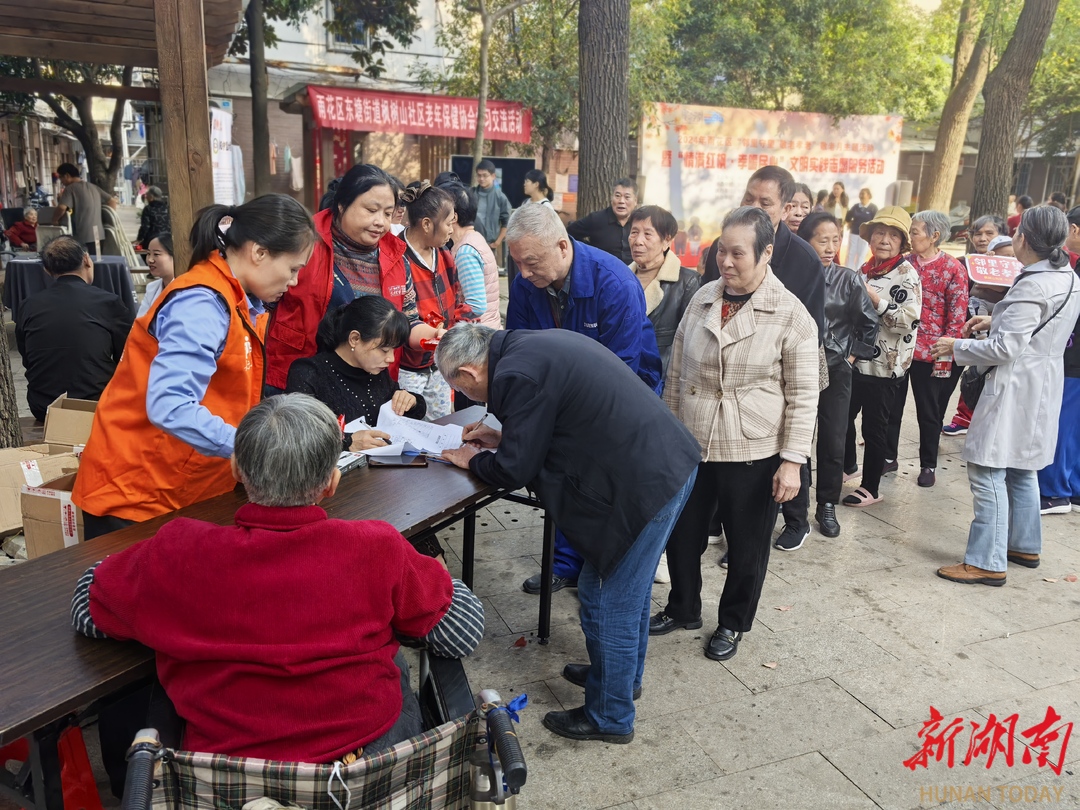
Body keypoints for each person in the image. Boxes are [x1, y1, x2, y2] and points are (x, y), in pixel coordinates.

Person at [71, 393, 484, 762]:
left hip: (227, 781)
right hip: (367, 770)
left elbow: (87, 607)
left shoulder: (177, 551)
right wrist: (440, 582)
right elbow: (463, 633)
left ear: (235, 469)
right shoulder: (378, 547)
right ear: (332, 483)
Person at [436, 325, 700, 744]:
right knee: (620, 593)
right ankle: (619, 680)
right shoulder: (527, 347)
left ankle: (610, 716)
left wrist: (472, 460)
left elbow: (512, 470)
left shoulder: (515, 374)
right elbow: (553, 423)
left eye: (462, 390)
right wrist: (504, 438)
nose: (470, 400)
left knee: (607, 598)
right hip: (662, 465)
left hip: (648, 481)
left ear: (468, 374)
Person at [72, 194, 315, 539]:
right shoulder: (202, 302)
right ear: (259, 252)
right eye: (293, 269)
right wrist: (252, 450)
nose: (293, 282)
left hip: (184, 486)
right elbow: (170, 404)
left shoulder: (241, 302)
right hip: (139, 494)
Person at [651, 206, 818, 661]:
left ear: (766, 253)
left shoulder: (791, 315)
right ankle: (682, 606)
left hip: (753, 445)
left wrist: (792, 461)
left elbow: (805, 396)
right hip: (693, 438)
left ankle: (732, 623)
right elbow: (677, 371)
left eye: (737, 253)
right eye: (721, 251)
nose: (726, 262)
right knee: (683, 532)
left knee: (746, 544)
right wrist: (670, 434)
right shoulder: (704, 296)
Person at [505, 203, 663, 594]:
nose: (524, 274)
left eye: (532, 263)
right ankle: (564, 563)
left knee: (596, 480)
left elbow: (621, 372)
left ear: (562, 246)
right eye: (518, 264)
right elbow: (519, 348)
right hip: (561, 392)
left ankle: (599, 563)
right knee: (560, 474)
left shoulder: (614, 283)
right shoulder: (527, 282)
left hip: (621, 396)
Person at [932, 205, 1080, 585]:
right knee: (1022, 464)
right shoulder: (1065, 275)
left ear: (1023, 239)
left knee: (987, 468)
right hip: (1045, 379)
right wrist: (997, 315)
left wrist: (956, 345)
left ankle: (986, 560)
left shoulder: (1032, 283)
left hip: (1017, 383)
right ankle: (1024, 544)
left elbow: (1005, 349)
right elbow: (1033, 323)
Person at [266, 164, 433, 393]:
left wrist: (433, 336)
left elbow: (409, 319)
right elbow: (262, 307)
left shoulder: (397, 258)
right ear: (342, 206)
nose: (381, 222)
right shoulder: (303, 243)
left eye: (387, 213)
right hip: (295, 378)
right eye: (371, 210)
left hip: (366, 385)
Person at [779, 213, 877, 543]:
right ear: (805, 242)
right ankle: (795, 510)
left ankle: (826, 505)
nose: (831, 247)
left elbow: (869, 324)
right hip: (796, 369)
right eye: (823, 240)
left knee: (834, 440)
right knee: (796, 440)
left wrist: (849, 357)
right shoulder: (791, 278)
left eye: (836, 240)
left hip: (836, 371)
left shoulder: (849, 280)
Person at [841, 206, 922, 508]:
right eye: (879, 233)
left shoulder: (908, 275)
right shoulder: (865, 269)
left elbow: (908, 321)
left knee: (874, 428)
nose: (884, 240)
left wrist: (875, 299)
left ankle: (871, 487)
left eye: (892, 235)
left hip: (885, 367)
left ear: (902, 242)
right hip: (856, 361)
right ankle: (848, 468)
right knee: (843, 417)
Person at [882, 211, 968, 488]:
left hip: (931, 354)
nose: (910, 236)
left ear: (935, 236)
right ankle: (888, 456)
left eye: (915, 231)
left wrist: (944, 356)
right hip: (900, 348)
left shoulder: (953, 269)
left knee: (929, 412)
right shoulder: (905, 264)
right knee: (891, 408)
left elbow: (956, 318)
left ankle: (928, 463)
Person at [15, 236, 133, 422]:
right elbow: (127, 358)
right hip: (95, 403)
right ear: (86, 259)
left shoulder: (28, 305)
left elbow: (28, 358)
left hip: (44, 406)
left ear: (47, 270)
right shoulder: (108, 302)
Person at [285, 296, 426, 450]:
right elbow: (298, 436)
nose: (391, 358)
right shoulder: (308, 373)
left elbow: (409, 412)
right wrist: (347, 442)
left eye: (394, 350)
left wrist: (411, 401)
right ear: (354, 339)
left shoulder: (375, 371)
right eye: (384, 350)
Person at [397, 182, 475, 420]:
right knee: (407, 427)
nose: (453, 229)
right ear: (427, 224)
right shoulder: (399, 258)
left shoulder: (444, 255)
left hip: (439, 362)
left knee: (440, 424)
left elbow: (457, 298)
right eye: (449, 222)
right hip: (407, 367)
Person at [942, 214, 1009, 436]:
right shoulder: (963, 262)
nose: (982, 238)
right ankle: (950, 420)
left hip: (993, 332)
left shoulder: (1011, 264)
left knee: (981, 374)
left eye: (989, 233)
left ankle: (972, 419)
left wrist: (994, 264)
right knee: (954, 376)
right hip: (964, 328)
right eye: (977, 233)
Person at [1038, 205, 1080, 514]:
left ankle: (1054, 492)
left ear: (1075, 230)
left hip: (1074, 361)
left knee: (1062, 425)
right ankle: (1074, 488)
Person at [627, 205, 701, 377]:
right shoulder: (620, 279)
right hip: (623, 374)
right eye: (634, 232)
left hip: (663, 379)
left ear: (667, 241)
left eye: (647, 234)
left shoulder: (687, 282)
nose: (638, 241)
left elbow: (692, 343)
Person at [442, 182, 502, 329]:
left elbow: (476, 306)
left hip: (479, 337)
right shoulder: (475, 239)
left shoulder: (465, 252)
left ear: (453, 217)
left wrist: (447, 318)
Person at [567, 178, 638, 265]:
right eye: (617, 196)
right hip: (602, 275)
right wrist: (589, 249)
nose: (621, 201)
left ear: (635, 201)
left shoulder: (638, 222)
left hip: (632, 275)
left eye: (627, 197)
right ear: (611, 198)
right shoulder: (596, 219)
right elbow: (569, 232)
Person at [53, 163, 117, 253]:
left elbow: (62, 208)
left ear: (67, 175)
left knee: (84, 263)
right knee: (97, 261)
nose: (61, 181)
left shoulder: (70, 189)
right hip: (98, 234)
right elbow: (112, 201)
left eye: (61, 178)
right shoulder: (93, 187)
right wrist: (107, 219)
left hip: (82, 235)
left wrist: (55, 220)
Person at [473, 159, 512, 259]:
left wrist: (497, 242)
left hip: (490, 245)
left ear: (493, 176)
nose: (481, 179)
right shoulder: (471, 194)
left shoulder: (501, 198)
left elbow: (506, 222)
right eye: (479, 175)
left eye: (485, 175)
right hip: (471, 243)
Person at [137, 233, 175, 317]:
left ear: (174, 255)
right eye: (148, 253)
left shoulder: (187, 289)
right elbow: (140, 321)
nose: (150, 260)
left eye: (156, 254)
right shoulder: (152, 288)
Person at [844, 188, 877, 270]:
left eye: (863, 194)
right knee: (851, 253)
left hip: (866, 235)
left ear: (868, 196)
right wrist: (849, 224)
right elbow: (848, 217)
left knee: (861, 254)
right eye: (860, 194)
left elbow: (876, 221)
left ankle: (858, 272)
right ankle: (848, 271)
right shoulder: (855, 207)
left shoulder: (873, 208)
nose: (861, 195)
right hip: (854, 233)